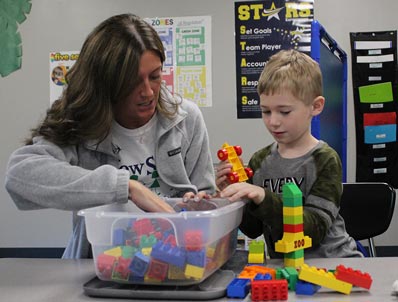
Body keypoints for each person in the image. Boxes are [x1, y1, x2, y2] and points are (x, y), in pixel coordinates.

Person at [5, 13, 215, 259]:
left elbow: (207, 201)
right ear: (105, 82)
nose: (148, 92)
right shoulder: (81, 121)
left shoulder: (186, 118)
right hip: (100, 266)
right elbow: (19, 176)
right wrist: (125, 186)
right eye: (132, 82)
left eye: (155, 76)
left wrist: (197, 202)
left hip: (174, 260)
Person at [216, 49, 362, 258]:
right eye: (266, 111)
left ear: (316, 106)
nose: (273, 121)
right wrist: (234, 197)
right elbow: (253, 228)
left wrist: (263, 196)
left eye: (284, 111)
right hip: (285, 268)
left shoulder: (325, 159)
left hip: (331, 262)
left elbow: (316, 228)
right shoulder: (260, 160)